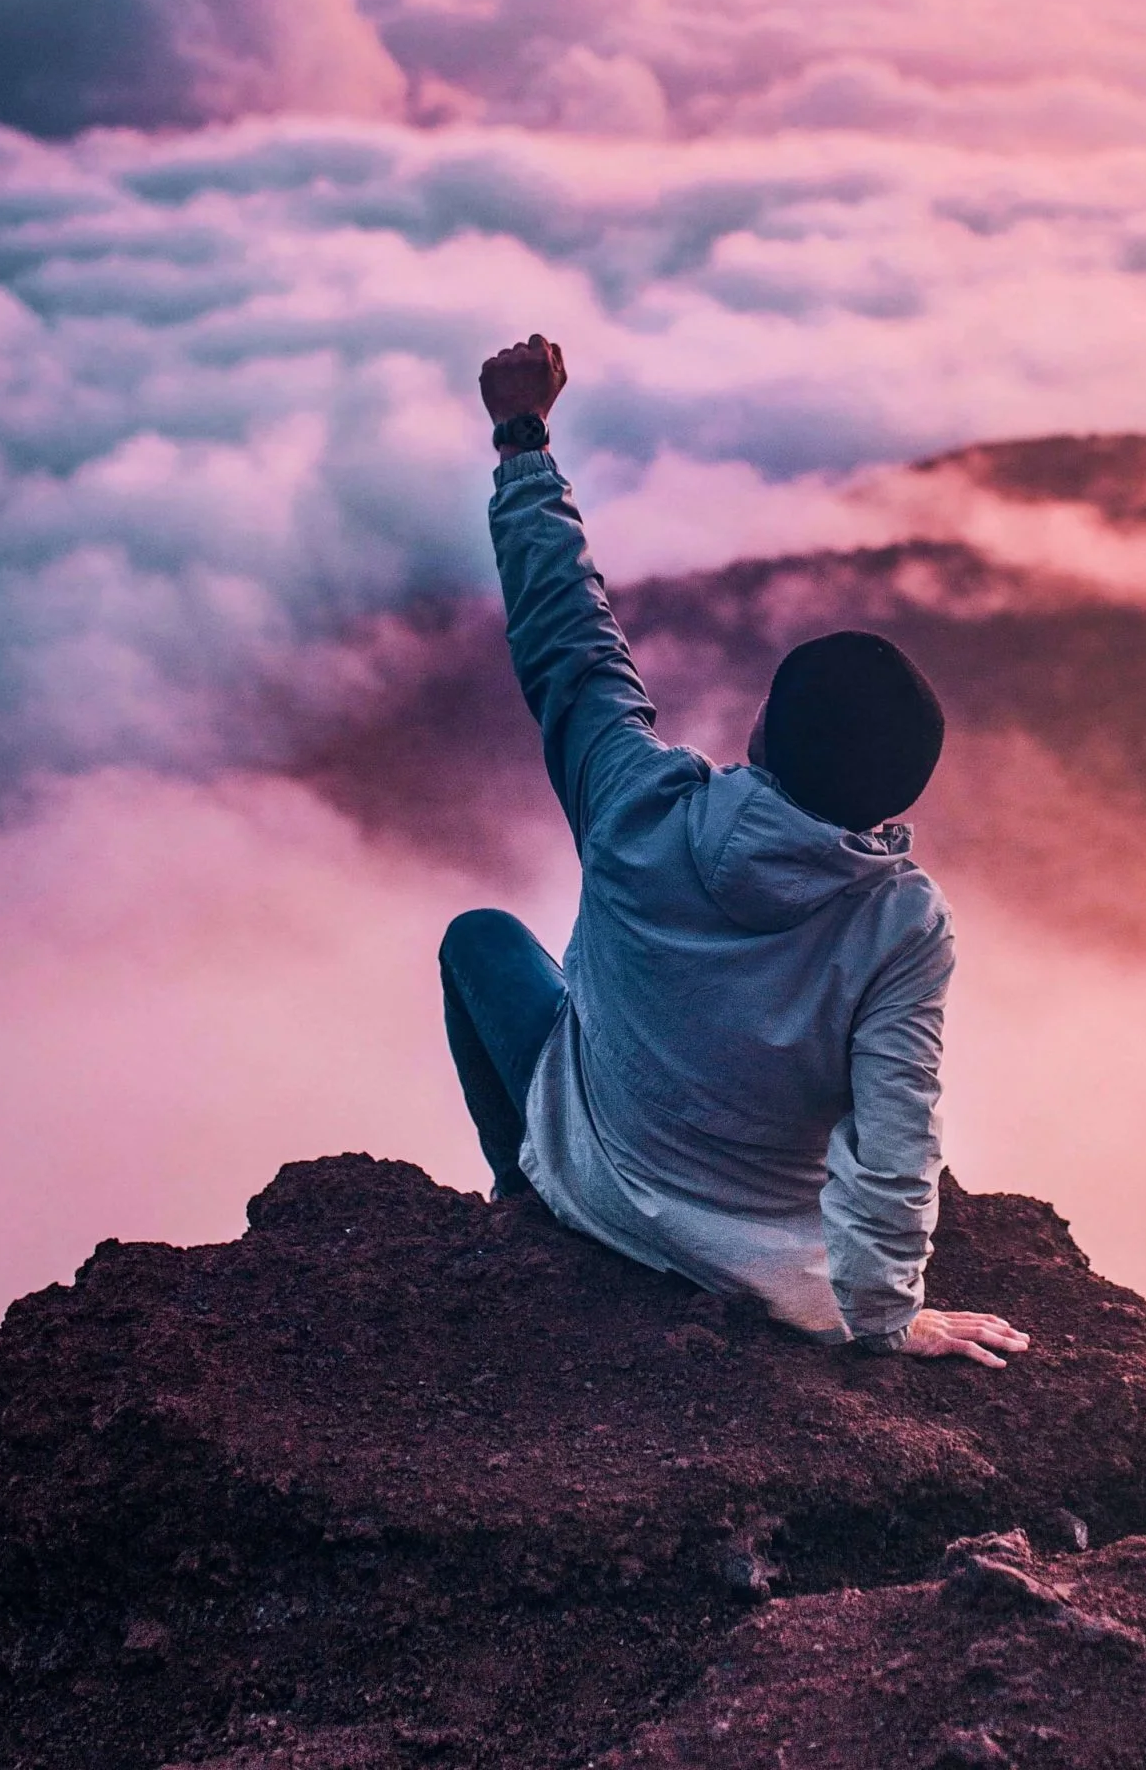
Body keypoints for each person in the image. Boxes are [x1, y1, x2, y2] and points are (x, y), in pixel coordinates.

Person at [438, 332, 1029, 1368]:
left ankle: (520, 1190)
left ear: (763, 732)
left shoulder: (635, 802)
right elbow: (899, 1144)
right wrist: (886, 1317)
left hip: (594, 1182)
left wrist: (521, 441)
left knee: (480, 940)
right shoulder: (901, 923)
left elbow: (568, 642)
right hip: (758, 1265)